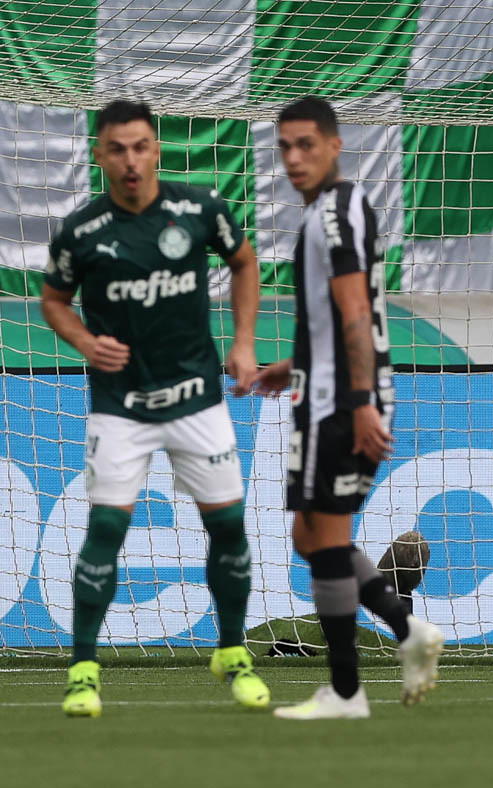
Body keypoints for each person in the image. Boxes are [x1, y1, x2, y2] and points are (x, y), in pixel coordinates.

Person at [41, 99, 269, 717]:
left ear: (157, 149)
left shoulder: (199, 209)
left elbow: (244, 261)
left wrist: (243, 343)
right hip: (121, 407)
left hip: (198, 398)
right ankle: (84, 668)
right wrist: (85, 341)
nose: (131, 161)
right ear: (98, 154)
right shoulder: (82, 232)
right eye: (117, 149)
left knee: (227, 527)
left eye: (141, 146)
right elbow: (54, 300)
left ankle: (231, 649)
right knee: (106, 530)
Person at [249, 97, 445, 719]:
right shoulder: (330, 215)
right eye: (285, 147)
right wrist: (289, 368)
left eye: (307, 144)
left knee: (322, 536)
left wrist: (360, 402)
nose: (294, 158)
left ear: (335, 145)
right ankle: (402, 631)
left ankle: (347, 688)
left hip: (341, 402)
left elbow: (357, 311)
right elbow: (335, 318)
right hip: (327, 392)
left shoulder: (334, 213)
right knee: (312, 536)